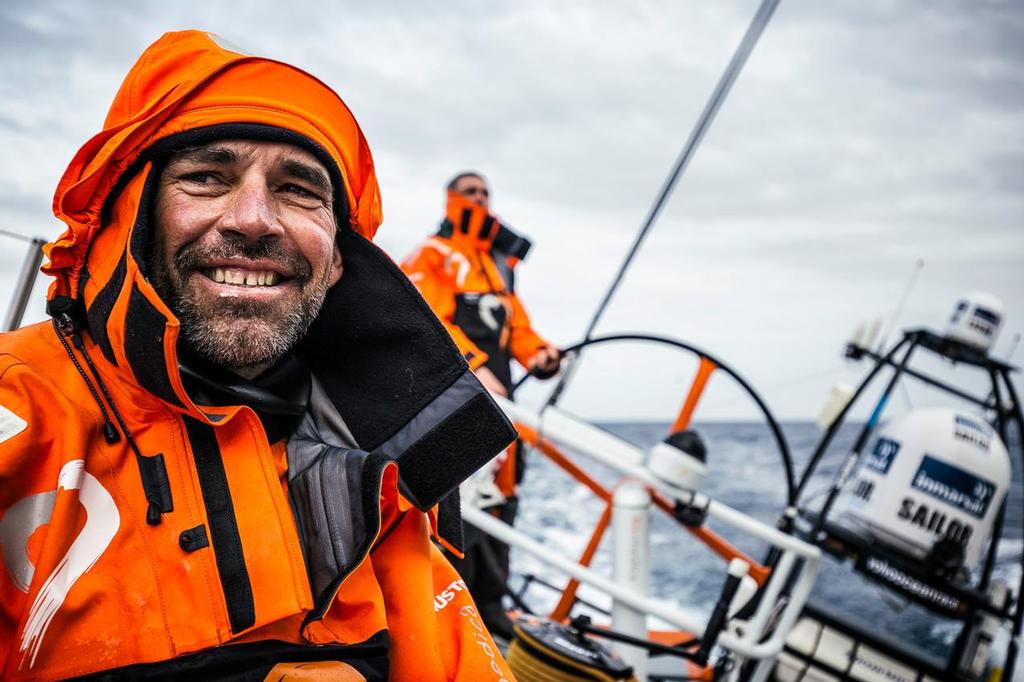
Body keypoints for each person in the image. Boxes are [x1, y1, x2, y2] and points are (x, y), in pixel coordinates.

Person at [0, 31, 518, 681]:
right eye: (206, 177)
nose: (253, 219)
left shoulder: (375, 475)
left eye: (300, 189)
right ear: (132, 213)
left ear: (337, 261)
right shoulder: (15, 419)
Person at [402, 172, 561, 638]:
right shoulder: (432, 255)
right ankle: (453, 610)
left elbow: (520, 329)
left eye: (485, 192)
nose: (480, 199)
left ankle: (491, 607)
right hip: (456, 402)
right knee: (457, 504)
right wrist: (472, 366)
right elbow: (425, 320)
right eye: (470, 192)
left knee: (502, 499)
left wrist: (542, 356)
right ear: (452, 199)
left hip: (505, 408)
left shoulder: (499, 263)